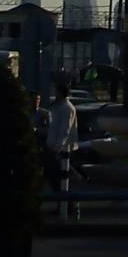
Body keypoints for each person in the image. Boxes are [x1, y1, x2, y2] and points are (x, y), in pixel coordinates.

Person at [46, 84, 79, 217]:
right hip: (54, 146)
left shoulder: (67, 108)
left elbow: (65, 130)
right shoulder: (57, 107)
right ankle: (63, 205)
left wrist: (58, 148)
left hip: (63, 150)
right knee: (56, 178)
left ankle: (67, 206)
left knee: (61, 178)